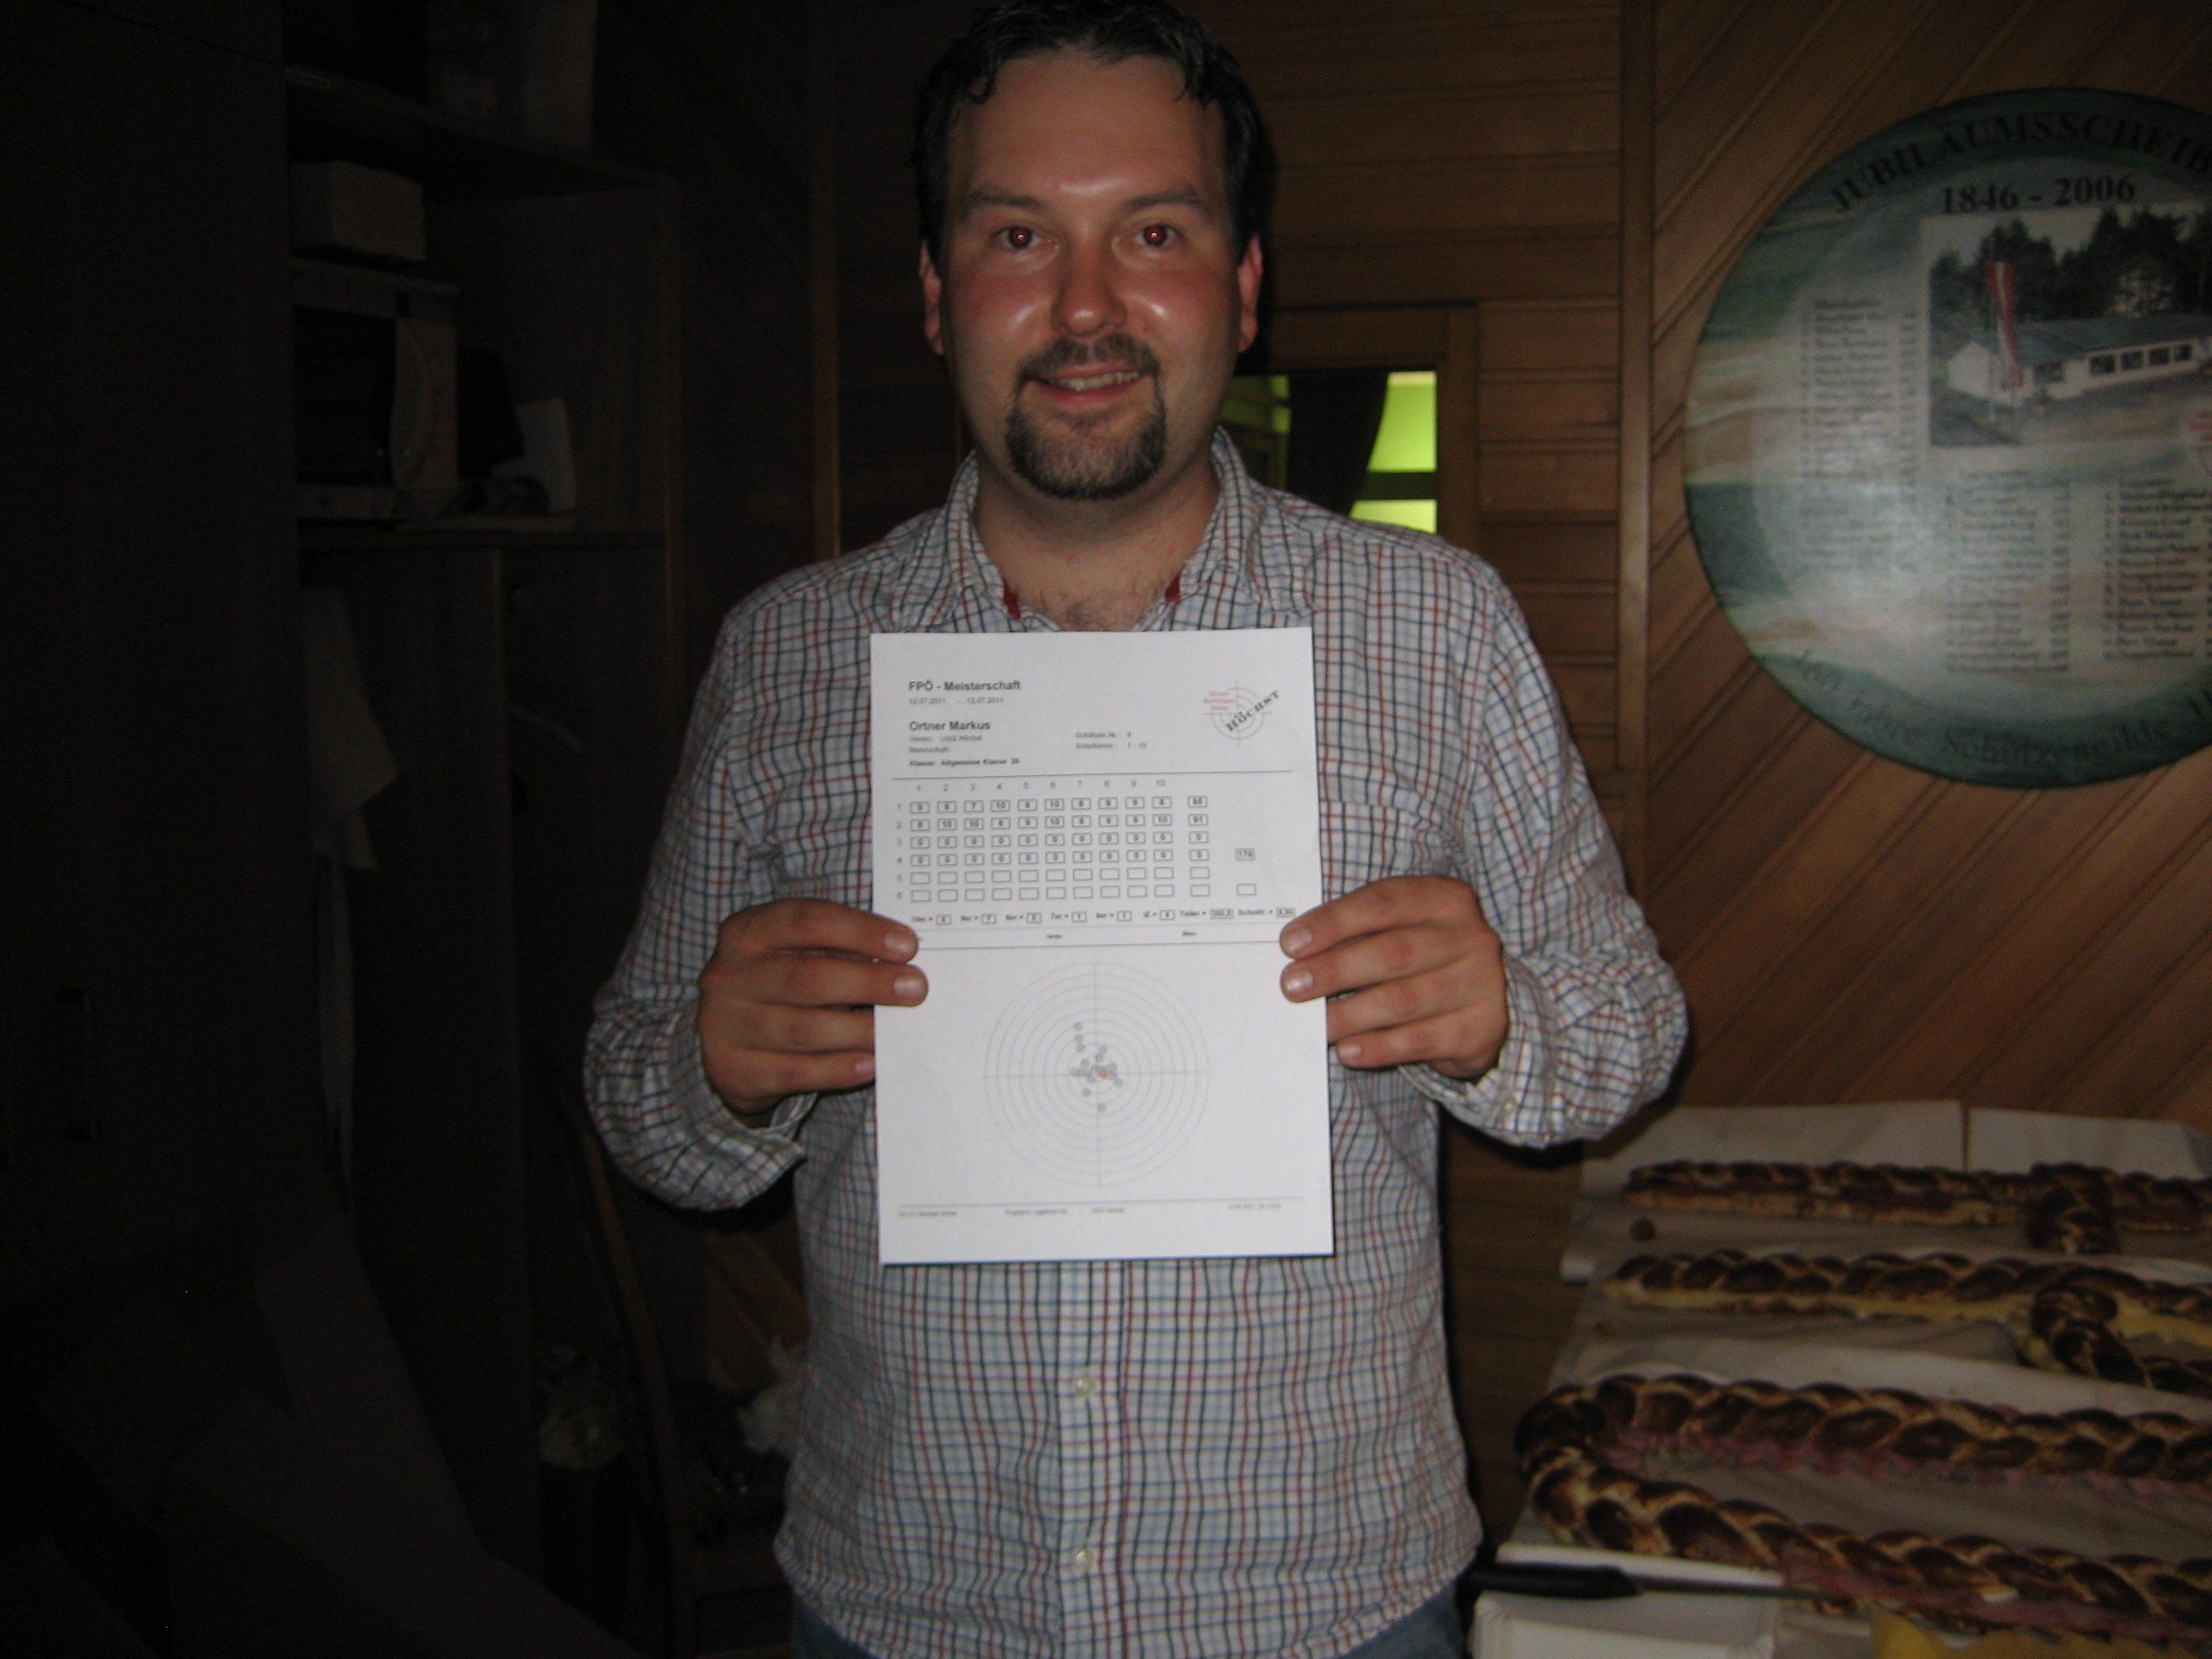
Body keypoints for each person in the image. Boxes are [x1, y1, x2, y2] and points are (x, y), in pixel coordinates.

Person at [586, 3, 1686, 1655]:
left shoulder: (1438, 629)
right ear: (937, 290)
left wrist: (1506, 1018)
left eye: (1154, 233)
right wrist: (713, 1072)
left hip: (1324, 1603)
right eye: (1018, 234)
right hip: (911, 1597)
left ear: (1242, 286)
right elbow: (633, 1092)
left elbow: (1630, 1035)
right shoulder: (785, 657)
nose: (1086, 306)